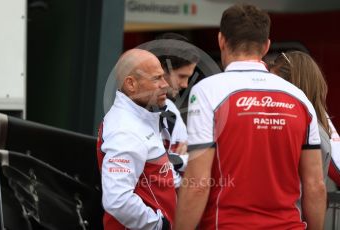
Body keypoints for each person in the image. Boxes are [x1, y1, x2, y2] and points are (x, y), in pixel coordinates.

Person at [175, 3, 326, 230]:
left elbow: (198, 183)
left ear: (221, 40)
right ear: (266, 47)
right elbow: (316, 185)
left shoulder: (207, 91)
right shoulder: (300, 98)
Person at [96, 49, 176, 230]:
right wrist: (159, 225)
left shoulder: (143, 115)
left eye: (163, 77)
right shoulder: (125, 129)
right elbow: (117, 200)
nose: (165, 85)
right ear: (131, 84)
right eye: (156, 79)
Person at [270, 51, 340, 185]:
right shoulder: (318, 121)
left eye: (275, 87)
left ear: (295, 87)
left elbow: (315, 185)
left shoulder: (312, 130)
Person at [150, 33, 200, 174]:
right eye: (182, 76)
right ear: (160, 69)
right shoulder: (129, 112)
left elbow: (190, 161)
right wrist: (179, 162)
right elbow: (153, 172)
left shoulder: (171, 108)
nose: (185, 85)